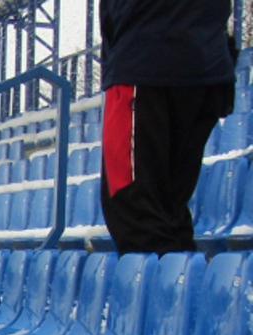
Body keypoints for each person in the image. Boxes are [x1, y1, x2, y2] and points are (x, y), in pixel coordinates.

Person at [99, 0, 237, 255]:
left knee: (132, 204)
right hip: (204, 64)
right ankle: (181, 280)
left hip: (144, 59)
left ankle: (159, 287)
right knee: (169, 204)